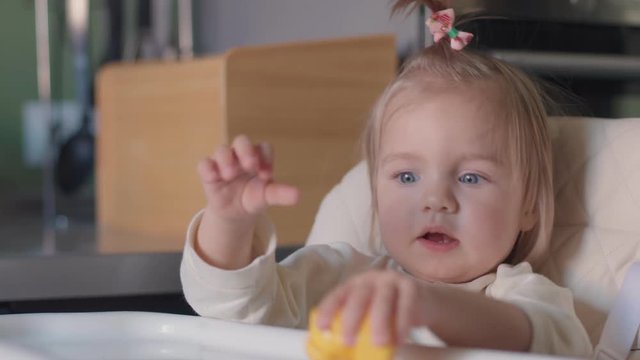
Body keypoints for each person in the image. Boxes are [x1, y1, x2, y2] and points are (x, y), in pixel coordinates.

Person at [180, 0, 592, 356]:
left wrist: (428, 306)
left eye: (470, 178)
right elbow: (236, 311)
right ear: (375, 190)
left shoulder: (524, 298)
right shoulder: (343, 279)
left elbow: (549, 343)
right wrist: (230, 223)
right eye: (407, 175)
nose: (436, 200)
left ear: (528, 206)